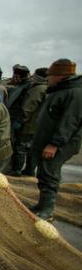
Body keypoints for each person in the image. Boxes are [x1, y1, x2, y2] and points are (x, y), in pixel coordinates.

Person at [29, 59, 82, 221]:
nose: (48, 78)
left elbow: (70, 122)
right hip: (47, 141)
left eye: (50, 75)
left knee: (50, 173)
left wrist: (54, 144)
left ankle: (47, 210)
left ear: (60, 75)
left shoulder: (75, 92)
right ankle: (42, 204)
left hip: (58, 144)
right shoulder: (59, 90)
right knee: (44, 172)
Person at [8, 67, 48, 176]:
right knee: (32, 148)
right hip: (39, 125)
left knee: (21, 147)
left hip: (30, 124)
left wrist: (21, 121)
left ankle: (16, 170)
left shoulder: (38, 89)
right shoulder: (47, 87)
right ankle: (29, 170)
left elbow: (28, 107)